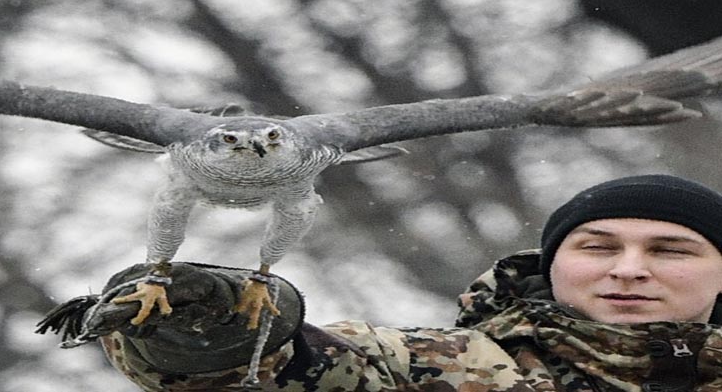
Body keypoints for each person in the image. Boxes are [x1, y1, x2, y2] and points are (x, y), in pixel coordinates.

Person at [37, 174, 722, 391]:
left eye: (671, 249)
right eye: (597, 245)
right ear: (552, 264)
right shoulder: (434, 372)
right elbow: (289, 372)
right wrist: (222, 325)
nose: (629, 267)